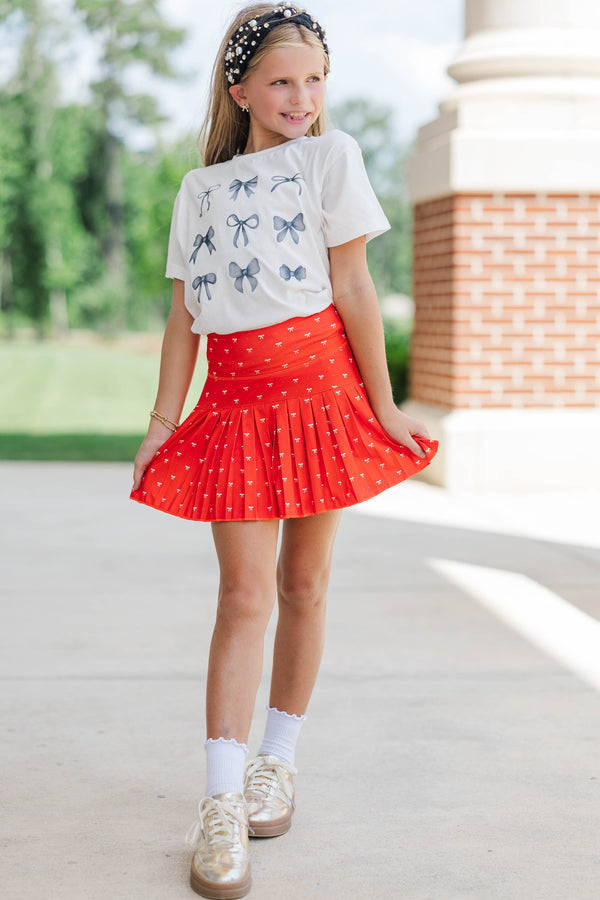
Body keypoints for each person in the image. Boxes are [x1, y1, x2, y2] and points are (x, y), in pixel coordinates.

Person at [131, 4, 438, 897]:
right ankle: (221, 801)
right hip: (233, 408)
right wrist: (162, 421)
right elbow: (184, 317)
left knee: (305, 584)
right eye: (281, 81)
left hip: (322, 398)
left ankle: (277, 762)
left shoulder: (330, 159)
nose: (301, 98)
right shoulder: (201, 190)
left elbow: (354, 285)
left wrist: (383, 406)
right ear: (240, 90)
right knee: (243, 593)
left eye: (314, 81)